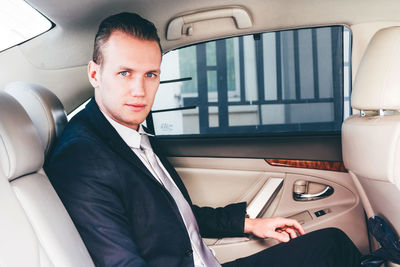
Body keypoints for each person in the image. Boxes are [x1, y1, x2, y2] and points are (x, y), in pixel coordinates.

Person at [45, 12, 362, 267]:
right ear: (94, 74)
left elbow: (175, 214)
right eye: (124, 73)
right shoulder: (81, 161)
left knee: (331, 243)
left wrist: (251, 225)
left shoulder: (129, 133)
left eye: (150, 74)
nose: (140, 91)